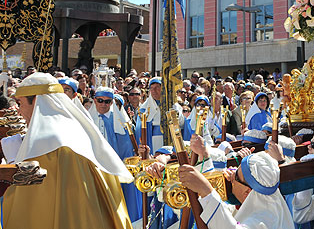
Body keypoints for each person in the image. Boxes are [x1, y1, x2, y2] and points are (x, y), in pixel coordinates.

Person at [2, 72, 133, 229]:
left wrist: (13, 161)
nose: (19, 111)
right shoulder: (77, 130)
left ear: (36, 102)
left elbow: (28, 205)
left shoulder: (44, 144)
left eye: (21, 103)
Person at [179, 151, 294, 229]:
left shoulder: (263, 221)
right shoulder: (270, 203)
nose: (232, 176)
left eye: (236, 176)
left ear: (247, 192)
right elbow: (228, 212)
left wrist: (207, 191)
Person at [89, 86, 142, 223]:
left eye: (107, 102)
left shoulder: (117, 120)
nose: (103, 104)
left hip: (112, 168)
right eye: (100, 100)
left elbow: (125, 149)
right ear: (95, 100)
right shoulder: (88, 118)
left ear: (111, 103)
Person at [135, 76, 183, 154]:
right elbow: (139, 130)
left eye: (157, 87)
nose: (154, 90)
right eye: (151, 88)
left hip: (171, 140)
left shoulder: (173, 105)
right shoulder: (144, 109)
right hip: (153, 141)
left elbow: (181, 123)